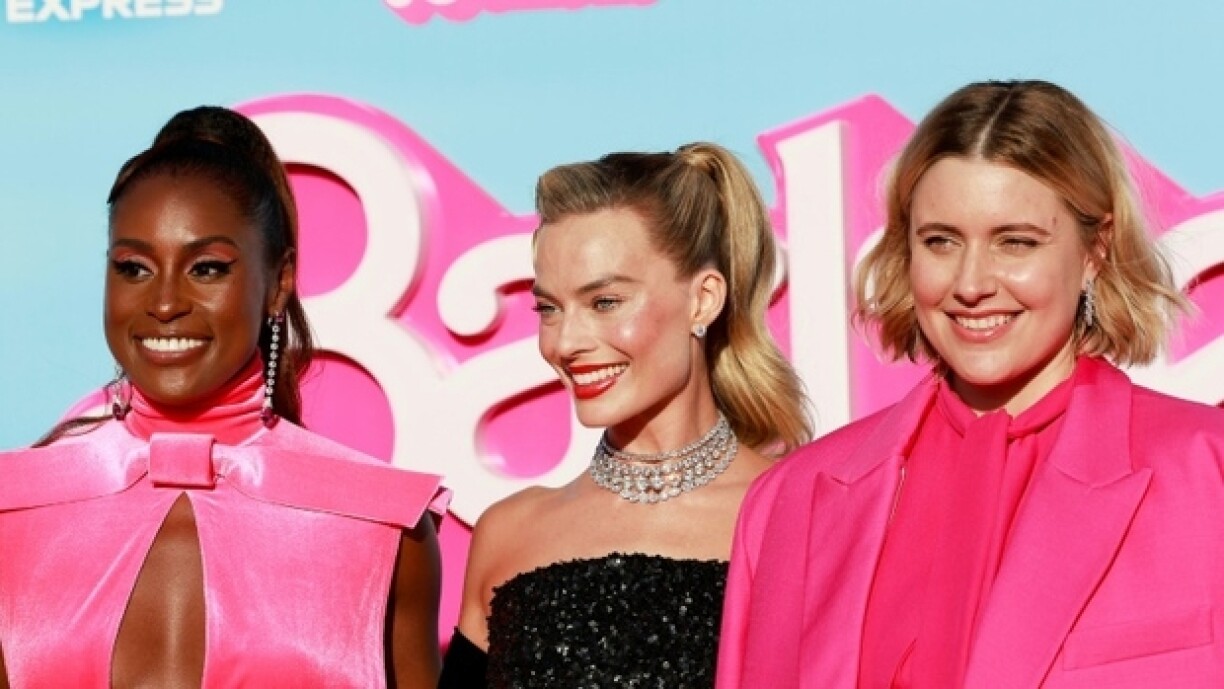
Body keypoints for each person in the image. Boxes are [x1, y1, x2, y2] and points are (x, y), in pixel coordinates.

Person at [716, 79, 1224, 689]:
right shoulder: (790, 504)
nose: (972, 282)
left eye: (1015, 242)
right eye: (941, 242)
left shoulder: (1205, 468)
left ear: (1095, 248)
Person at [0, 106, 449, 688]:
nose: (163, 303)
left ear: (279, 282)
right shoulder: (13, 512)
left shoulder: (386, 529)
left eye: (207, 268)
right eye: (133, 269)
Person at [439, 142, 812, 687]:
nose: (566, 342)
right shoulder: (508, 534)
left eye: (605, 302)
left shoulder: (800, 515)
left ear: (704, 300)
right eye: (549, 308)